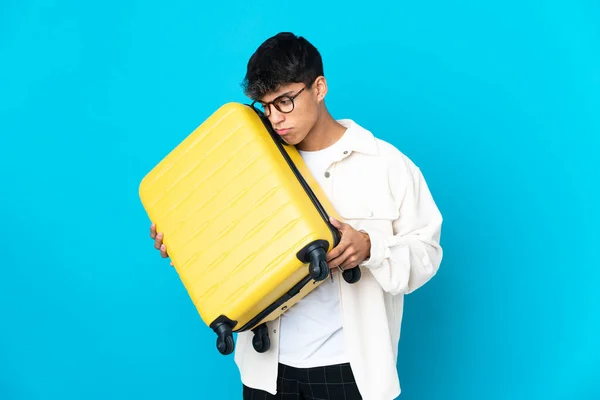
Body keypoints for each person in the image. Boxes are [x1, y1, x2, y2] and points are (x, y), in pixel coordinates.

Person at [149, 32, 443, 399]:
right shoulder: (245, 165)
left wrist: (370, 248)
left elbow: (427, 254)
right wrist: (184, 244)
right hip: (266, 369)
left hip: (350, 371)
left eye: (285, 101)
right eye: (265, 106)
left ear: (319, 88)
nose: (274, 118)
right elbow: (225, 249)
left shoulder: (385, 165)